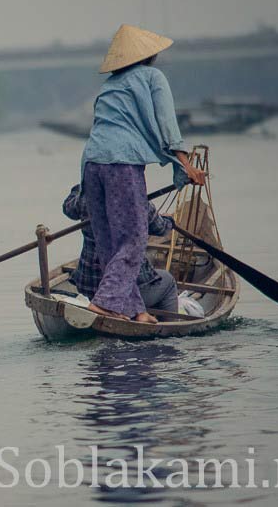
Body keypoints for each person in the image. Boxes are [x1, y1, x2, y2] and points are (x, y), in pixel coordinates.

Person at [80, 24, 206, 324]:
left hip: (91, 164)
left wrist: (139, 312)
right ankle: (104, 303)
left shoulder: (110, 85)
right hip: (122, 164)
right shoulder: (153, 77)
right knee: (134, 241)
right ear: (150, 56)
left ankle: (134, 311)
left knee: (110, 245)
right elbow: (167, 125)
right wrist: (186, 166)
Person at [62, 184, 179, 314]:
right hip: (128, 289)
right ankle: (165, 329)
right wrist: (169, 220)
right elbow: (161, 228)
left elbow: (69, 208)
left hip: (89, 285)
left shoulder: (86, 195)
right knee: (168, 281)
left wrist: (81, 188)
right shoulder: (137, 198)